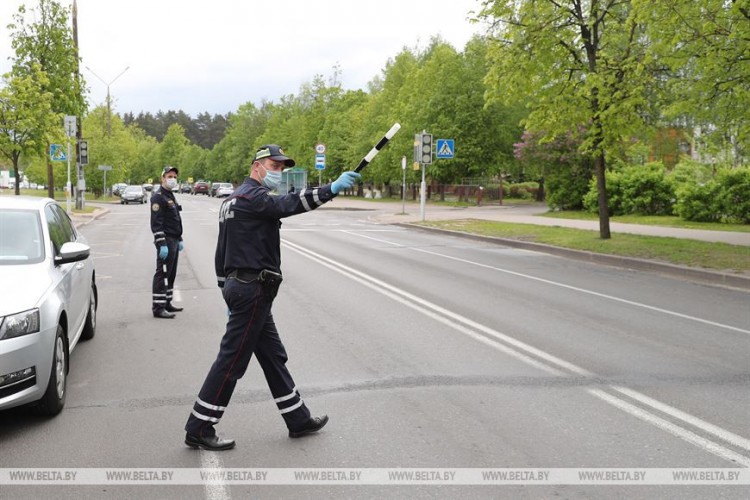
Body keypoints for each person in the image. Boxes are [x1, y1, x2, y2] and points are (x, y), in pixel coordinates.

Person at [184, 144, 360, 451]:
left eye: (281, 168)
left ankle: (298, 418)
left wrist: (226, 289)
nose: (278, 172)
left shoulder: (233, 199)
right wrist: (330, 188)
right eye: (273, 166)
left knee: (272, 356)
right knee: (232, 361)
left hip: (248, 290)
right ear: (256, 166)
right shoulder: (254, 198)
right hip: (253, 290)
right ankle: (199, 426)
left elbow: (221, 250)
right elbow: (288, 204)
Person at [151, 166, 184, 319]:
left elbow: (174, 219)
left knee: (171, 273)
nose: (173, 179)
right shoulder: (158, 197)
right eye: (170, 176)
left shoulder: (169, 195)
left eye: (175, 177)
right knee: (163, 273)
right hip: (166, 240)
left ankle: (167, 302)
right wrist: (161, 243)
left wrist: (180, 238)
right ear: (162, 178)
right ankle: (158, 307)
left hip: (174, 239)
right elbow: (156, 223)